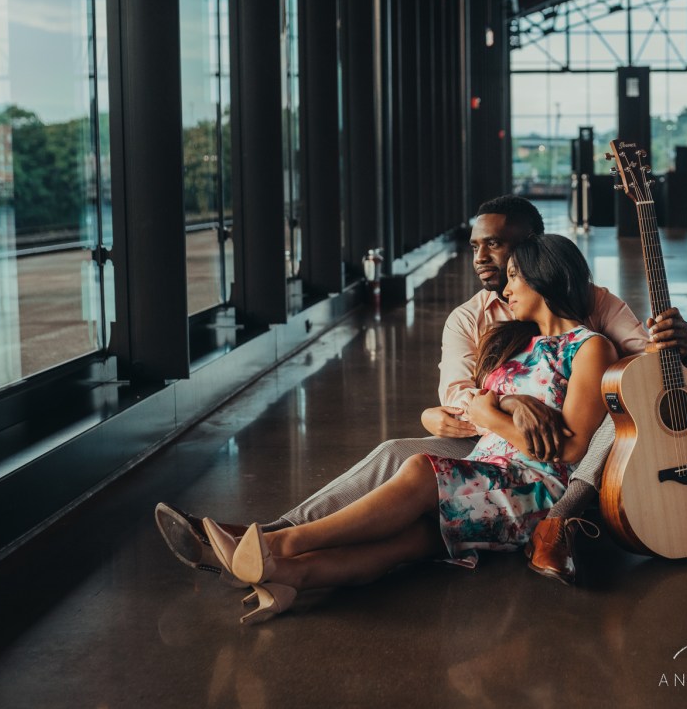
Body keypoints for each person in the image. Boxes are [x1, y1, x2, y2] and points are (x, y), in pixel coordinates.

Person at [155, 195, 687, 584]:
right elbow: (457, 400)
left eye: (497, 248)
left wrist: (675, 348)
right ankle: (272, 548)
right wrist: (505, 403)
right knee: (397, 462)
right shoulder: (475, 320)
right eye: (477, 246)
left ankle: (561, 522)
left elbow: (644, 365)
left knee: (621, 403)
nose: (485, 260)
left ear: (532, 254)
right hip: (484, 445)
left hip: (553, 466)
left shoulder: (592, 311)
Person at [199, 234, 618, 623]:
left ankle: (277, 545)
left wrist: (492, 417)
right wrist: (501, 405)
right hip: (482, 474)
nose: (505, 290)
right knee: (397, 545)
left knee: (420, 469)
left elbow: (571, 449)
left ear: (544, 276)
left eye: (513, 277)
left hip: (532, 492)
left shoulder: (590, 347)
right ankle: (290, 579)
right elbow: (476, 398)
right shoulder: (517, 342)